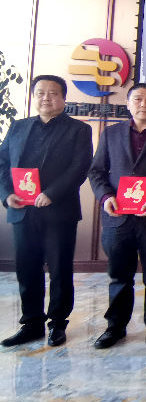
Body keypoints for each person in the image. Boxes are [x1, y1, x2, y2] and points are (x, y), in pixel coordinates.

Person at [86, 83, 146, 348]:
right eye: (138, 99)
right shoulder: (111, 133)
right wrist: (106, 197)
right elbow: (96, 172)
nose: (144, 104)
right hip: (117, 217)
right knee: (119, 275)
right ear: (128, 104)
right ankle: (115, 327)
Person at [0, 75, 92, 347]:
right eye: (40, 93)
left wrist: (52, 193)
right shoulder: (18, 127)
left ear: (63, 98)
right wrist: (6, 195)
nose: (46, 98)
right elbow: (2, 163)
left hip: (58, 211)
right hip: (22, 210)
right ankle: (31, 323)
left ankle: (58, 324)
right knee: (26, 267)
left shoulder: (78, 129)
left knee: (60, 268)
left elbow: (79, 167)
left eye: (53, 93)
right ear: (33, 96)